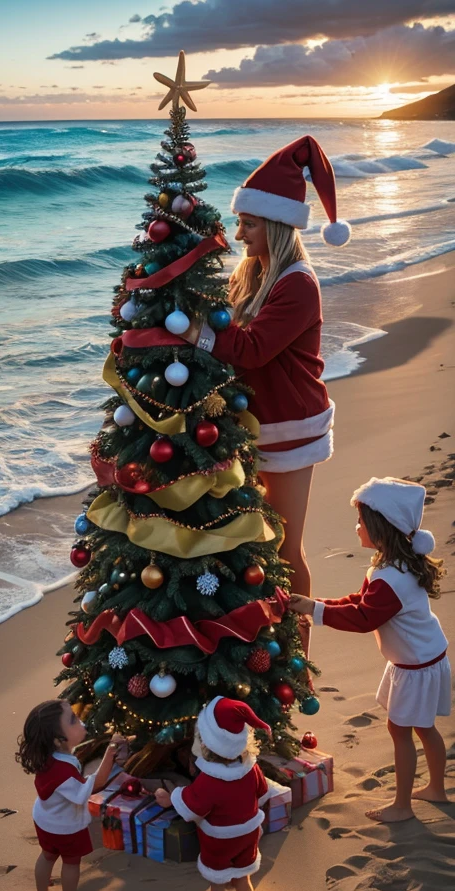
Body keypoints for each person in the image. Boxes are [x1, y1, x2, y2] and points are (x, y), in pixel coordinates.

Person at [181, 136, 351, 620]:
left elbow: (252, 350)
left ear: (276, 225)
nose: (240, 235)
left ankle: (300, 652)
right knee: (254, 540)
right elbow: (227, 321)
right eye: (238, 222)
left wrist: (195, 333)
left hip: (291, 427)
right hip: (254, 424)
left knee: (284, 546)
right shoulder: (254, 273)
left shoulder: (298, 284)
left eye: (248, 223)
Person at [289, 477, 451, 824]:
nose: (357, 527)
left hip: (415, 667)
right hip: (423, 658)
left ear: (380, 526)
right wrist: (314, 605)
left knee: (401, 730)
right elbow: (359, 603)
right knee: (423, 728)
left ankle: (402, 806)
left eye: (361, 521)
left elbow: (363, 617)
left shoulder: (391, 579)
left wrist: (316, 610)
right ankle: (436, 787)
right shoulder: (391, 565)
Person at [155, 696, 271, 891]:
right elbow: (262, 792)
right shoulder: (252, 769)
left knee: (217, 885)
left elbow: (192, 807)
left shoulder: (208, 781)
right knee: (244, 879)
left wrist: (168, 797)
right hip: (248, 835)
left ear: (206, 741)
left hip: (218, 841)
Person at [16, 699, 124, 891]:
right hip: (65, 827)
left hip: (45, 819)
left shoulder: (48, 757)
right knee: (71, 863)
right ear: (58, 740)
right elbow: (96, 784)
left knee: (47, 854)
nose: (81, 721)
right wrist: (111, 750)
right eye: (73, 720)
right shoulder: (64, 773)